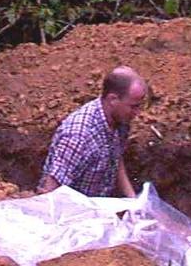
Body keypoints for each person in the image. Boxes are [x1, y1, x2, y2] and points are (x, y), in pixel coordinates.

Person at [37, 66, 146, 198]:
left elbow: (115, 158)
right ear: (113, 99)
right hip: (72, 212)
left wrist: (133, 201)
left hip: (97, 208)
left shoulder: (119, 120)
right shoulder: (79, 136)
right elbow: (50, 192)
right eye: (133, 106)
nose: (138, 113)